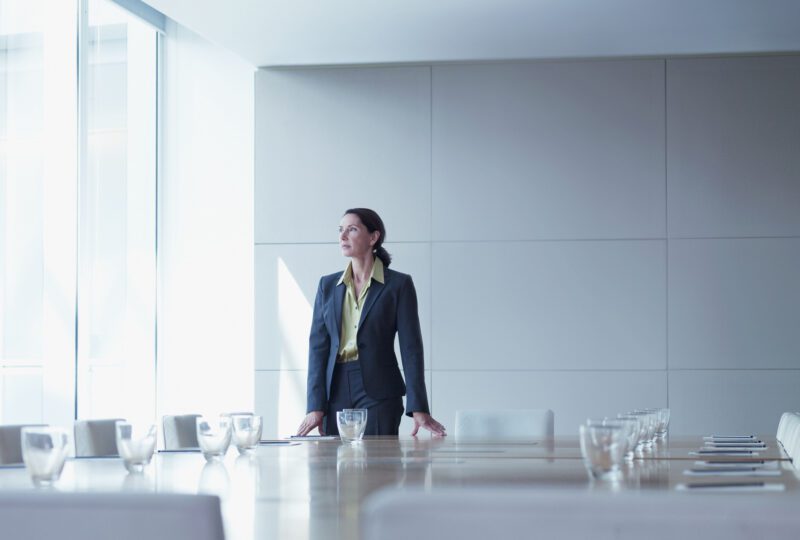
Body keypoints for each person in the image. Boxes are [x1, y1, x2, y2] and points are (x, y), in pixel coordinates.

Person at [296, 208, 446, 437]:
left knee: (379, 468)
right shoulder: (326, 286)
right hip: (334, 389)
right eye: (340, 230)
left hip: (380, 392)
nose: (342, 236)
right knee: (334, 469)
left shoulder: (398, 285)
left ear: (373, 237)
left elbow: (411, 348)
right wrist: (315, 405)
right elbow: (318, 348)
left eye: (352, 229)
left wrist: (418, 407)